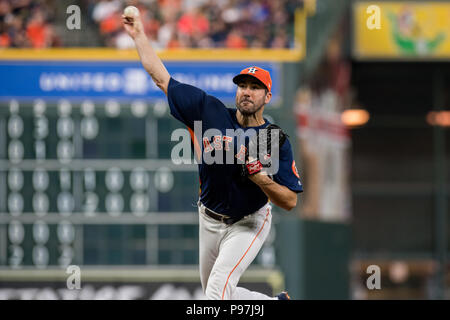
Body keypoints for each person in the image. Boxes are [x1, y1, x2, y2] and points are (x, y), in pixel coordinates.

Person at [122, 10, 303, 300]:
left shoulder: (273, 139)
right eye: (243, 85)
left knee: (217, 291)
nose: (247, 91)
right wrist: (140, 36)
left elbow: (290, 201)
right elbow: (161, 78)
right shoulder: (210, 111)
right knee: (217, 292)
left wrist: (261, 179)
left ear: (267, 97)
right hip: (208, 217)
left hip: (249, 221)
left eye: (255, 88)